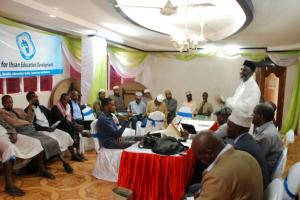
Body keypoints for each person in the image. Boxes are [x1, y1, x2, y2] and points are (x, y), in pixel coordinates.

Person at [0, 95, 73, 173]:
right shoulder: (3, 113)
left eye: (10, 102)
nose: (9, 104)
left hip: (32, 130)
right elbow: (15, 123)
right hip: (22, 132)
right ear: (3, 103)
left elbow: (30, 119)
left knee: (53, 141)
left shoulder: (18, 110)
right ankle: (42, 168)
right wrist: (27, 122)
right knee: (43, 143)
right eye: (6, 103)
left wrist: (31, 106)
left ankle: (64, 162)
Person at [190, 131, 263, 200]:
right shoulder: (246, 155)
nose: (202, 162)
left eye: (200, 158)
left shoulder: (216, 177)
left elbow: (221, 182)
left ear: (209, 153)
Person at [24, 92, 81, 162]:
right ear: (29, 100)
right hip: (41, 131)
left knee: (66, 135)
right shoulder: (27, 110)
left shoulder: (42, 107)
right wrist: (46, 129)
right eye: (33, 97)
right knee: (55, 140)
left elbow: (51, 116)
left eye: (36, 96)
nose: (36, 98)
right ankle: (63, 161)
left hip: (50, 128)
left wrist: (56, 121)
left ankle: (73, 155)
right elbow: (33, 125)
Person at [227, 109, 270, 189]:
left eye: (229, 126)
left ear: (237, 129)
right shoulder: (247, 139)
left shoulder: (240, 148)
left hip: (255, 189)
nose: (227, 129)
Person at [51, 93, 86, 161]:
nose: (66, 101)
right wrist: (74, 125)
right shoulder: (56, 107)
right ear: (61, 99)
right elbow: (61, 119)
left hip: (68, 124)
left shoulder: (68, 106)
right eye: (64, 100)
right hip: (59, 125)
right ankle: (74, 154)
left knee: (77, 129)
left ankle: (78, 152)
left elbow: (71, 118)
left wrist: (74, 123)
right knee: (73, 128)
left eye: (67, 100)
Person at [252, 103, 284, 175]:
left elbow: (254, 158)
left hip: (261, 173)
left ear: (261, 116)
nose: (251, 115)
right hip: (264, 167)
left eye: (254, 113)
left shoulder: (266, 135)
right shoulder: (269, 127)